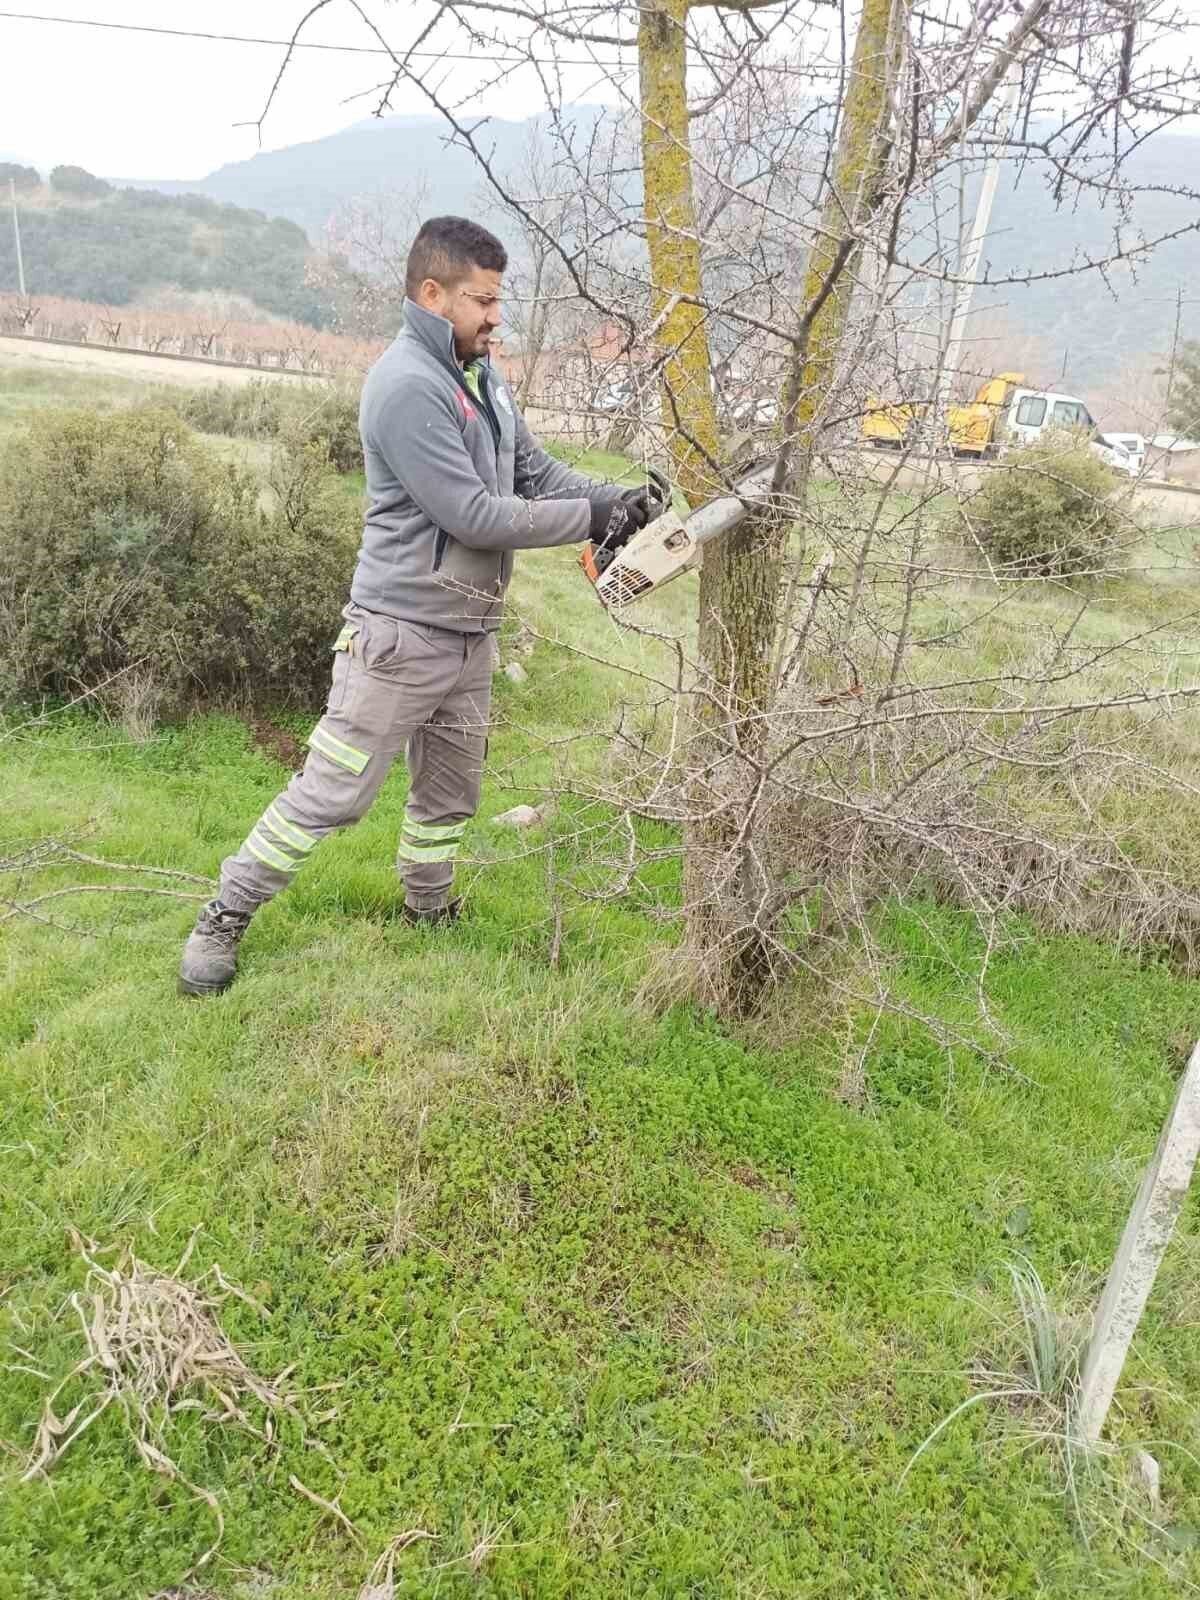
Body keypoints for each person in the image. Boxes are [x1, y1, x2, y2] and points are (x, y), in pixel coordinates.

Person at [179, 215, 662, 995]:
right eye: (482, 300)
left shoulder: (481, 375)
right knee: (333, 789)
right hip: (400, 637)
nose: (495, 316)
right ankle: (223, 918)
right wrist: (591, 520)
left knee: (450, 791)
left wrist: (615, 499)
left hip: (471, 632)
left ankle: (427, 908)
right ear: (431, 293)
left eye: (499, 299)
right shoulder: (407, 386)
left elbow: (531, 474)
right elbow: (473, 513)